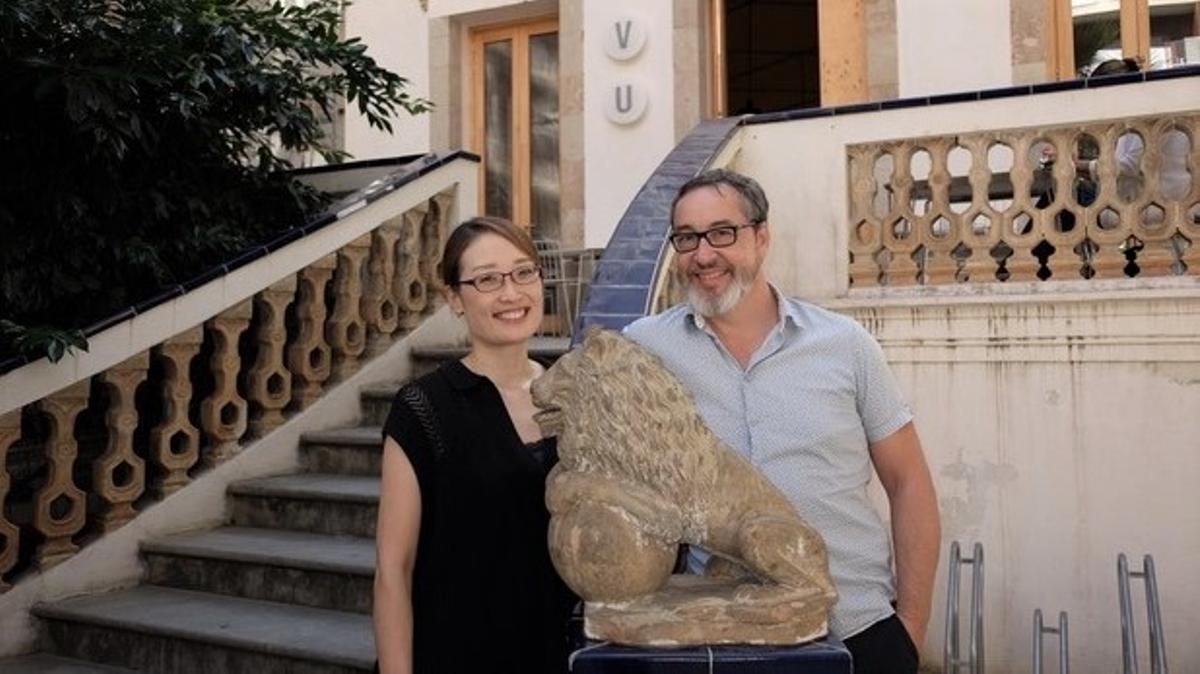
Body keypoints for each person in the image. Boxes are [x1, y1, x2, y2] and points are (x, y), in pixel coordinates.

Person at [624, 169, 941, 674]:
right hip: (720, 635)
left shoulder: (845, 345)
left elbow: (909, 482)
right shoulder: (645, 348)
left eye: (723, 232)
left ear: (762, 237)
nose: (703, 254)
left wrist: (911, 626)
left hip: (855, 627)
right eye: (687, 238)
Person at [373, 216, 576, 674]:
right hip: (454, 652)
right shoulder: (424, 407)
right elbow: (393, 570)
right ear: (455, 299)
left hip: (557, 654)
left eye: (524, 272)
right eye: (487, 280)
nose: (511, 293)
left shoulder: (574, 392)